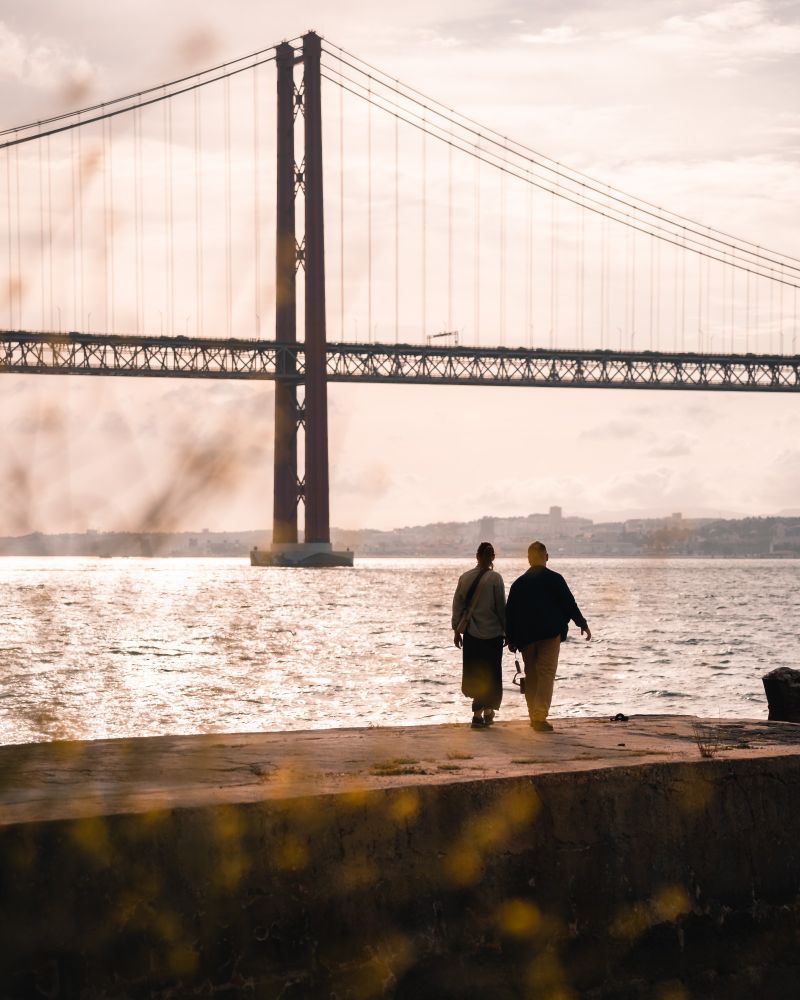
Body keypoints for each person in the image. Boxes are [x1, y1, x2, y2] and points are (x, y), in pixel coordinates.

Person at [505, 541, 591, 733]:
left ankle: (532, 714)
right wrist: (582, 624)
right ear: (546, 557)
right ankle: (539, 717)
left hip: (526, 638)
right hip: (550, 635)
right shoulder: (555, 579)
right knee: (546, 675)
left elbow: (509, 613)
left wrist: (510, 638)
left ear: (528, 559)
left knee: (532, 675)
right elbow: (570, 604)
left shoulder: (519, 584)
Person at [452, 542, 506, 728]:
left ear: (477, 557)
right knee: (492, 673)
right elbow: (501, 608)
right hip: (493, 635)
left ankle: (478, 714)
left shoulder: (465, 578)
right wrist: (507, 631)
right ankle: (488, 711)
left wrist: (456, 631)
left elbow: (457, 607)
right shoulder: (496, 579)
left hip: (472, 635)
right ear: (492, 558)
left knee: (475, 672)